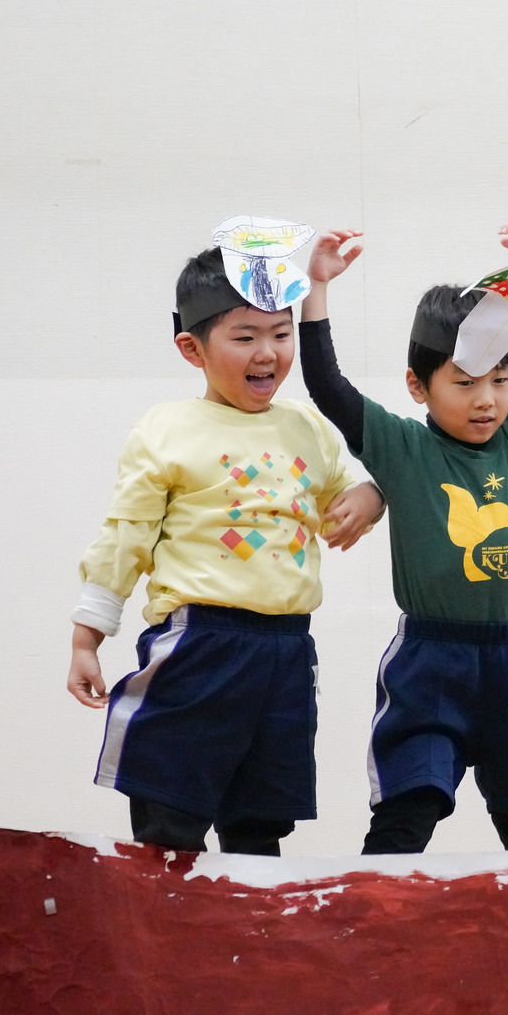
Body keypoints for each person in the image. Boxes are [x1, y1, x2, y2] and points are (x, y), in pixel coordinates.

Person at [66, 245, 384, 855]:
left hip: (286, 651)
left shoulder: (307, 426)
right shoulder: (167, 429)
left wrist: (374, 496)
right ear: (193, 349)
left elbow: (344, 499)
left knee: (260, 825)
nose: (267, 353)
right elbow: (125, 535)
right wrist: (88, 637)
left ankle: (253, 919)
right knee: (170, 820)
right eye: (244, 337)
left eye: (281, 334)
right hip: (198, 644)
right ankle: (165, 917)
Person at [299, 221, 508, 853]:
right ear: (418, 385)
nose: (486, 400)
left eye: (500, 379)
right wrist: (316, 290)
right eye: (464, 382)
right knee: (406, 815)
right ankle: (372, 914)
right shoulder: (402, 447)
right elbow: (328, 387)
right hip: (432, 664)